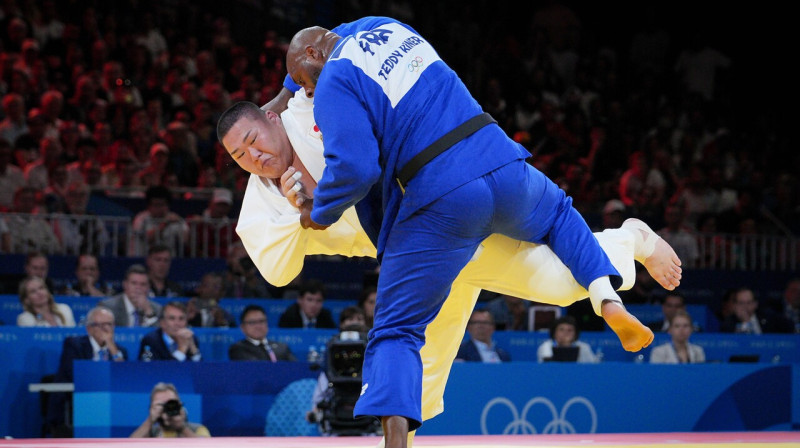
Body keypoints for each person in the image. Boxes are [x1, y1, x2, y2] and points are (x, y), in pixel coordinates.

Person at [283, 18, 678, 442]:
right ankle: (608, 294)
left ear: (312, 56)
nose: (306, 92)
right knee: (561, 214)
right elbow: (337, 34)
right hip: (499, 159)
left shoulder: (333, 80)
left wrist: (315, 213)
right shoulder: (388, 27)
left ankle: (396, 441)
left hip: (442, 197)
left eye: (304, 83)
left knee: (397, 331)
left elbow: (356, 169)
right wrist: (284, 92)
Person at [47, 306, 127, 435]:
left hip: (109, 405)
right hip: (76, 404)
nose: (105, 329)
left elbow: (124, 378)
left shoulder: (120, 351)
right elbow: (74, 373)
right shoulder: (74, 345)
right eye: (99, 325)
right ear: (89, 329)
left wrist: (112, 347)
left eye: (108, 324)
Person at [130, 382, 210, 438]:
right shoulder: (149, 433)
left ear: (179, 405)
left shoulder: (197, 429)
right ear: (152, 408)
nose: (166, 407)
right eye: (161, 404)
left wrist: (182, 428)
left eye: (171, 403)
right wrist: (150, 420)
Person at [129, 185, 189, 256]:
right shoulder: (141, 219)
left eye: (163, 204)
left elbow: (185, 240)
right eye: (156, 205)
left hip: (168, 261)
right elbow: (148, 238)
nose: (160, 208)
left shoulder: (174, 218)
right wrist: (164, 224)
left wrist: (181, 226)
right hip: (144, 258)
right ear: (149, 206)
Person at [138, 301, 202, 361]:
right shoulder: (150, 341)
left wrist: (193, 350)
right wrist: (181, 350)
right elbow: (149, 369)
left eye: (181, 318)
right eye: (172, 318)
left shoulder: (191, 339)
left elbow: (201, 370)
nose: (177, 323)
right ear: (162, 323)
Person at [229, 304, 296, 361]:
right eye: (252, 322)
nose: (258, 326)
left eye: (261, 321)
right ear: (243, 327)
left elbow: (295, 368)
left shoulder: (282, 347)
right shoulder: (238, 349)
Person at [719, 287, 793, 334]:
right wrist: (745, 322)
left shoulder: (769, 318)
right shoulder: (728, 323)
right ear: (735, 306)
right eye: (741, 303)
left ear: (755, 304)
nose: (745, 306)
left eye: (749, 302)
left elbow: (791, 328)